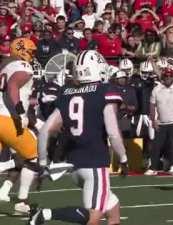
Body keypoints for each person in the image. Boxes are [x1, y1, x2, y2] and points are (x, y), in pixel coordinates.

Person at [28, 50, 129, 225]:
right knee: (93, 217)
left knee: (113, 208)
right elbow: (113, 131)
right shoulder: (104, 91)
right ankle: (44, 214)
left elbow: (45, 131)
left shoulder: (67, 93)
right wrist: (124, 157)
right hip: (95, 163)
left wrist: (43, 163)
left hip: (74, 165)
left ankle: (45, 214)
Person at [0, 38, 43, 214]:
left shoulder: (5, 65)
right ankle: (22, 202)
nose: (32, 55)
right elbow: (12, 87)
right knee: (33, 156)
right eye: (31, 51)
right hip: (8, 119)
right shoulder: (22, 66)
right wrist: (19, 110)